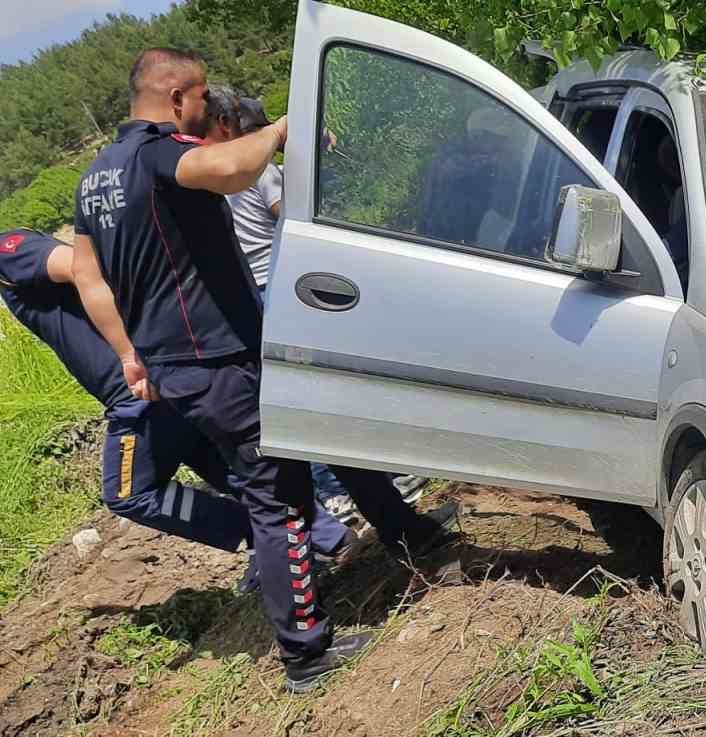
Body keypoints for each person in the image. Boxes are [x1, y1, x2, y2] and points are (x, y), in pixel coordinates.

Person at [69, 48, 454, 693]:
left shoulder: (95, 178)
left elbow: (86, 273)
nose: (199, 115)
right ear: (175, 100)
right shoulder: (158, 151)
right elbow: (225, 168)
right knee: (279, 499)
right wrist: (280, 129)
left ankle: (407, 532)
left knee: (325, 431)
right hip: (217, 364)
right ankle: (306, 655)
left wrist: (127, 352)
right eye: (196, 102)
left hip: (194, 362)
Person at [0, 228, 353, 575]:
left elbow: (83, 266)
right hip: (158, 377)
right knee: (233, 472)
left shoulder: (8, 250)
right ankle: (329, 539)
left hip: (137, 391)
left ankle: (268, 535)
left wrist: (130, 353)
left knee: (128, 494)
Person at [200, 85, 427, 523]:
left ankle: (335, 492)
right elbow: (297, 217)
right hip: (284, 287)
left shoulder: (211, 179)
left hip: (252, 297)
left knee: (297, 393)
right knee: (339, 379)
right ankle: (389, 473)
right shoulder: (261, 173)